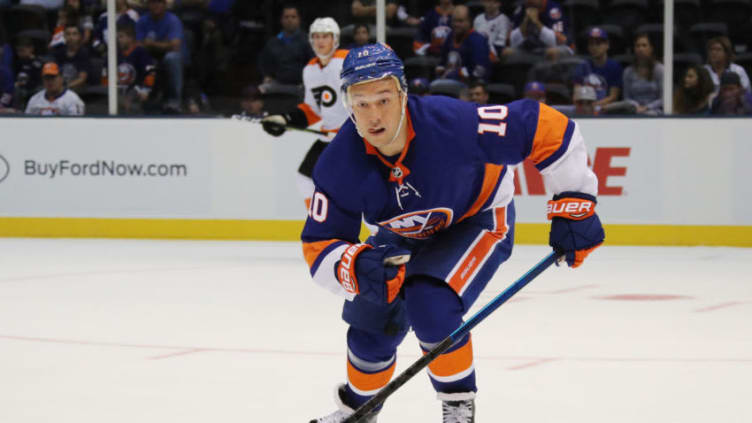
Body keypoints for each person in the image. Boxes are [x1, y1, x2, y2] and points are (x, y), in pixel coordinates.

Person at [303, 43, 604, 423]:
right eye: (361, 103)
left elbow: (543, 126)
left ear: (402, 93)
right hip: (405, 233)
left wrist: (575, 201)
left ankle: (458, 404)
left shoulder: (449, 122)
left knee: (431, 305)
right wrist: (355, 266)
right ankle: (359, 410)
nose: (373, 115)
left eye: (383, 99)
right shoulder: (337, 163)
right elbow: (319, 244)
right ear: (348, 105)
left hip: (477, 218)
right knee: (369, 324)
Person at [260, 17, 349, 206]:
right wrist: (285, 119)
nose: (320, 41)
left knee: (356, 190)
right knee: (305, 180)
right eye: (316, 36)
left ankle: (380, 233)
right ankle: (320, 228)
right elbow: (313, 110)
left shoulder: (347, 62)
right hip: (329, 139)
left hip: (353, 139)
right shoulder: (310, 69)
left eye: (326, 36)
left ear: (335, 39)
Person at [136, 0, 187, 111]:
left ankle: (174, 102)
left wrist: (152, 44)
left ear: (165, 5)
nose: (156, 5)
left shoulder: (173, 20)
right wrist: (164, 44)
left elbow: (175, 46)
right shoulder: (142, 20)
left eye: (159, 2)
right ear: (148, 5)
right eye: (153, 2)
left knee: (171, 58)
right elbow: (139, 45)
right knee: (139, 55)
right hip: (150, 55)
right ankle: (139, 99)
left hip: (170, 57)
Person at [107, 22, 156, 114]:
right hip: (119, 90)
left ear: (130, 38)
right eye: (118, 37)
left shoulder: (140, 52)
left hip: (136, 90)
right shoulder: (115, 53)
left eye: (121, 37)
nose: (118, 39)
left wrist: (146, 90)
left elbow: (150, 72)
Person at [257, 5, 313, 86]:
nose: (289, 20)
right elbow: (263, 63)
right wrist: (266, 76)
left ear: (299, 20)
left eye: (293, 17)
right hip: (276, 84)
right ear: (281, 20)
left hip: (301, 85)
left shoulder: (308, 41)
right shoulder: (273, 42)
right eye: (286, 17)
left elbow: (313, 64)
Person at [435, 5, 490, 81]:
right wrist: (440, 68)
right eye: (454, 21)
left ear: (469, 21)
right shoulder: (450, 36)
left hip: (469, 85)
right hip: (448, 81)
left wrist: (456, 74)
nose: (456, 24)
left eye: (460, 21)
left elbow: (480, 70)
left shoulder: (478, 40)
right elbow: (443, 61)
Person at [573, 27, 623, 108]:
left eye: (598, 44)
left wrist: (595, 105)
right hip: (585, 108)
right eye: (591, 44)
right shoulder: (582, 66)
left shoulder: (614, 67)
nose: (594, 47)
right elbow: (577, 94)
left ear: (607, 45)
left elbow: (613, 97)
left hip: (605, 108)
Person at [621, 32, 663, 115]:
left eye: (644, 45)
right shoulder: (628, 72)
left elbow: (664, 98)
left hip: (655, 112)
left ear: (651, 48)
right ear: (634, 49)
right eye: (638, 46)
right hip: (634, 110)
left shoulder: (660, 69)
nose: (641, 49)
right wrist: (636, 106)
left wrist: (647, 107)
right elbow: (626, 97)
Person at [52, 24, 93, 92]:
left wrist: (64, 87)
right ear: (64, 36)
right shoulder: (59, 53)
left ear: (79, 36)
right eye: (68, 34)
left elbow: (82, 79)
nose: (71, 37)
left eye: (74, 34)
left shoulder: (84, 53)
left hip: (77, 88)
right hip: (60, 86)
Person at [13, 37, 43, 109]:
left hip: (34, 89)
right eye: (18, 51)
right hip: (22, 88)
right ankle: (17, 110)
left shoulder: (37, 63)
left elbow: (38, 80)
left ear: (31, 49)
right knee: (16, 89)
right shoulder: (18, 63)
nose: (20, 53)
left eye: (22, 50)